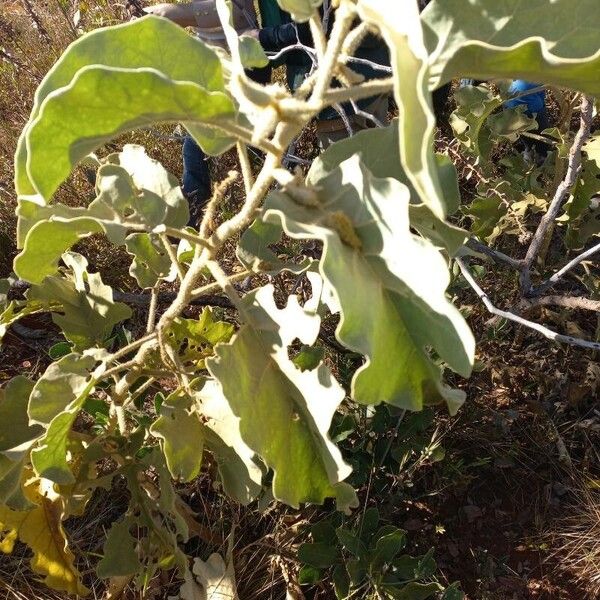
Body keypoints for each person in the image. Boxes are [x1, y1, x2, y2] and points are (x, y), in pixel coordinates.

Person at [143, 0, 390, 223]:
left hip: (341, 85)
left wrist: (263, 37)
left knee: (353, 186)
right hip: (342, 77)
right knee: (374, 170)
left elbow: (319, 27)